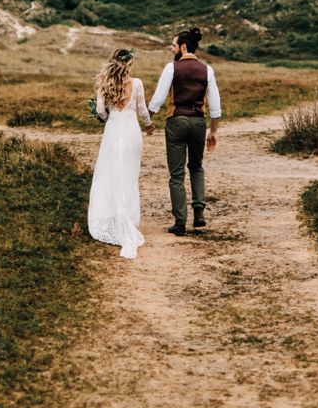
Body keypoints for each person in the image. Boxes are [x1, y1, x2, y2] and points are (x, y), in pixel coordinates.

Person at [148, 27, 221, 236]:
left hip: (177, 122)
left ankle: (180, 222)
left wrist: (147, 120)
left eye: (173, 45)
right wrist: (213, 131)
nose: (172, 49)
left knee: (177, 174)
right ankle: (199, 213)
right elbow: (215, 105)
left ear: (183, 46)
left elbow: (158, 99)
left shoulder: (171, 68)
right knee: (197, 167)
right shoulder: (207, 70)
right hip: (199, 122)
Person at [88, 48, 155, 259]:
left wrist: (108, 114)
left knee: (109, 174)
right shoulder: (137, 83)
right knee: (128, 175)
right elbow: (143, 110)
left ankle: (110, 215)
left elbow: (100, 111)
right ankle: (126, 216)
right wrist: (149, 125)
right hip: (131, 134)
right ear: (128, 64)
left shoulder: (104, 85)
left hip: (113, 132)